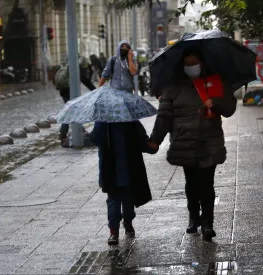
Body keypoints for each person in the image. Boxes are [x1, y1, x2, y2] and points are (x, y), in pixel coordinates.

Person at [148, 47, 237, 242]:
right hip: (184, 142)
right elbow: (164, 116)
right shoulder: (172, 87)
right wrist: (155, 139)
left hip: (209, 141)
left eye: (194, 63)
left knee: (207, 184)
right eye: (187, 64)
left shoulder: (214, 81)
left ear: (202, 63)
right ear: (181, 66)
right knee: (192, 183)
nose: (191, 67)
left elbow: (230, 107)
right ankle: (193, 217)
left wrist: (215, 102)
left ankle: (207, 223)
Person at [91, 121, 157, 245]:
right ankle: (113, 231)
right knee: (113, 202)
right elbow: (95, 139)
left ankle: (128, 222)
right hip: (110, 171)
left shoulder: (131, 122)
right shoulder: (103, 123)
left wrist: (151, 147)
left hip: (129, 170)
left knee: (128, 201)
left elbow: (142, 140)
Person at [54, 54, 96, 146]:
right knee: (71, 111)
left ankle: (78, 130)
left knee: (72, 110)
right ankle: (64, 134)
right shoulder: (77, 66)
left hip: (64, 90)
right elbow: (86, 81)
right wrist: (95, 90)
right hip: (70, 91)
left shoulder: (69, 64)